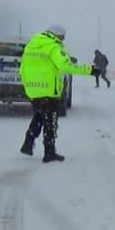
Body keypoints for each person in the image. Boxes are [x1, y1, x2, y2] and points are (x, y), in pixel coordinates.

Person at [19, 25, 96, 163]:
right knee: (50, 122)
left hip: (33, 90)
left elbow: (22, 68)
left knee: (40, 116)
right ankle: (49, 152)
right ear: (57, 35)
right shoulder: (54, 47)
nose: (63, 40)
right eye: (63, 37)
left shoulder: (31, 45)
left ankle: (28, 143)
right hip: (49, 91)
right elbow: (66, 66)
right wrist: (89, 70)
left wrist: (27, 86)